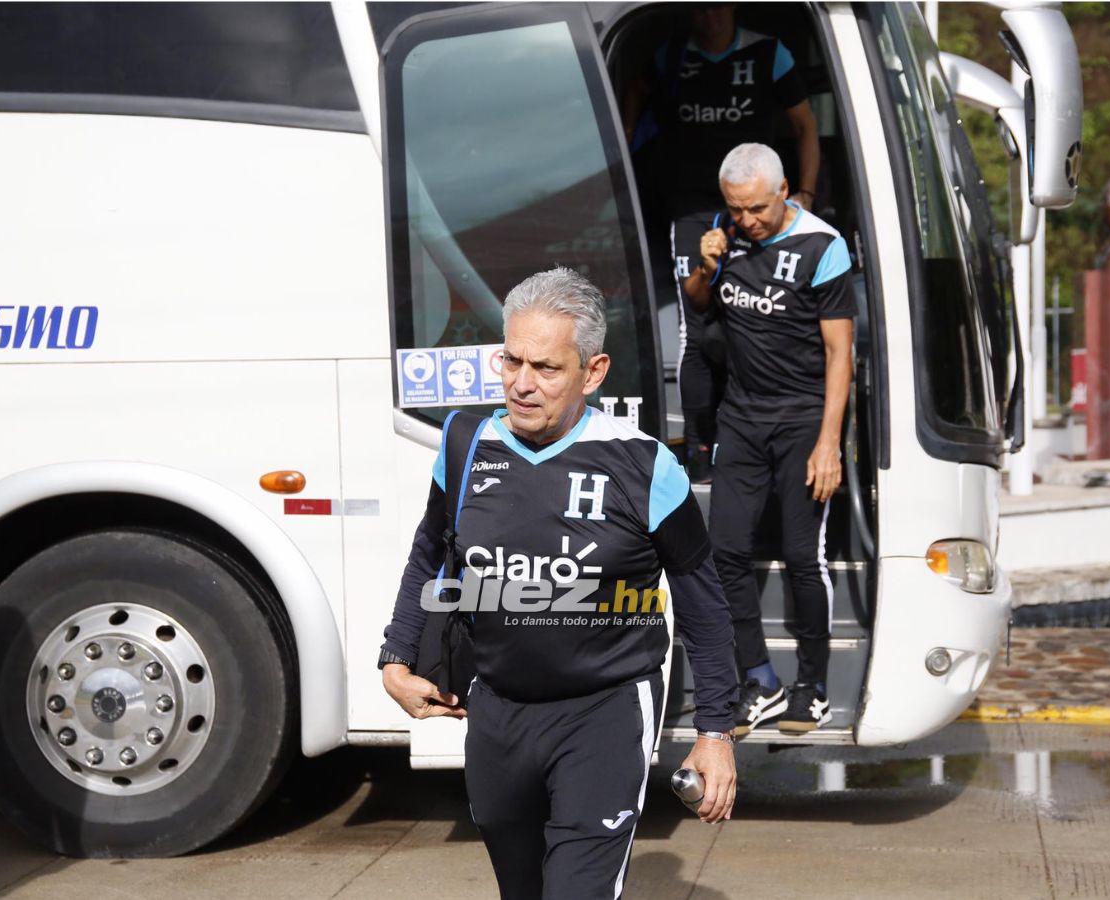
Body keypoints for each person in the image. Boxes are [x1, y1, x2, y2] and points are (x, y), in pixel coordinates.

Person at [378, 268, 739, 899]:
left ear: (592, 373)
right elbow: (430, 555)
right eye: (512, 360)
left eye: (545, 368)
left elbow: (704, 606)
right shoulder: (465, 446)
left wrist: (715, 732)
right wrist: (396, 657)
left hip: (605, 711)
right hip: (496, 712)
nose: (522, 384)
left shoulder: (645, 465)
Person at [683, 143, 853, 736]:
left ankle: (814, 685)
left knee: (804, 557)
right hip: (741, 417)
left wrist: (829, 442)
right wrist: (704, 267)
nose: (747, 220)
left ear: (784, 191)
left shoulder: (823, 246)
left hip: (804, 419)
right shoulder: (724, 234)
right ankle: (760, 680)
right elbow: (699, 305)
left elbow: (839, 353)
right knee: (724, 551)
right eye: (737, 208)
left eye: (757, 208)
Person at [621, 3, 821, 483]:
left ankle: (761, 441)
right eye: (697, 9)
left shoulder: (768, 53)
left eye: (715, 7)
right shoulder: (671, 55)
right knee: (696, 331)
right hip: (691, 206)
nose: (706, 16)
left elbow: (806, 127)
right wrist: (623, 146)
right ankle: (698, 448)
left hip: (755, 211)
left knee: (759, 319)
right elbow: (636, 91)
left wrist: (806, 195)